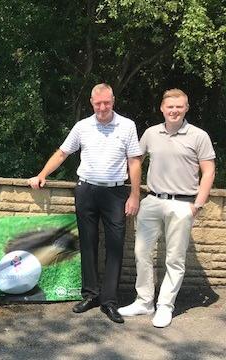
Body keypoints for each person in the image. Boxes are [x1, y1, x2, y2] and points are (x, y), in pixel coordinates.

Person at [28, 83, 142, 323]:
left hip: (115, 193)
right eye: (98, 103)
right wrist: (42, 174)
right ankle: (91, 295)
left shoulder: (127, 126)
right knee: (88, 244)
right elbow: (62, 153)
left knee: (115, 246)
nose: (102, 107)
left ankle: (110, 301)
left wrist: (134, 195)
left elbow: (134, 162)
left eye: (107, 103)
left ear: (113, 101)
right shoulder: (82, 126)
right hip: (86, 190)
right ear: (92, 102)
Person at [118, 89, 215, 328]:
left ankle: (165, 306)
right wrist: (135, 193)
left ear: (186, 108)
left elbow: (209, 171)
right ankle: (144, 301)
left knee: (174, 258)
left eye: (179, 107)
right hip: (152, 200)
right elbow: (135, 162)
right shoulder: (151, 133)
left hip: (183, 203)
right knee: (141, 252)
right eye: (170, 107)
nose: (174, 111)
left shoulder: (198, 135)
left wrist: (198, 204)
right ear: (162, 108)